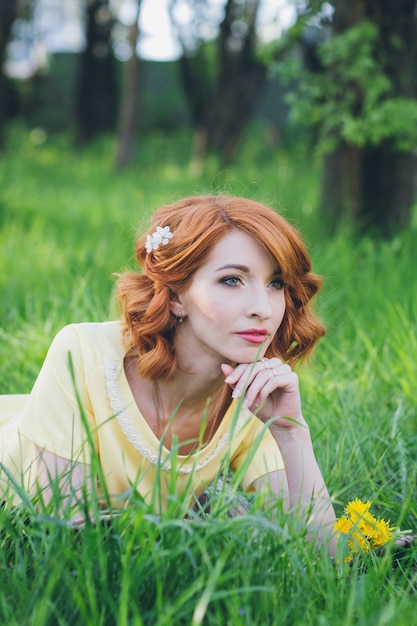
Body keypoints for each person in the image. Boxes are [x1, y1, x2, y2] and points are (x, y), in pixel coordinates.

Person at [0, 195, 336, 549]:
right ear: (176, 296)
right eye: (233, 280)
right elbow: (68, 537)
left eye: (276, 284)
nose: (262, 309)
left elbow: (323, 553)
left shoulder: (255, 394)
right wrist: (193, 526)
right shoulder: (83, 352)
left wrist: (289, 431)